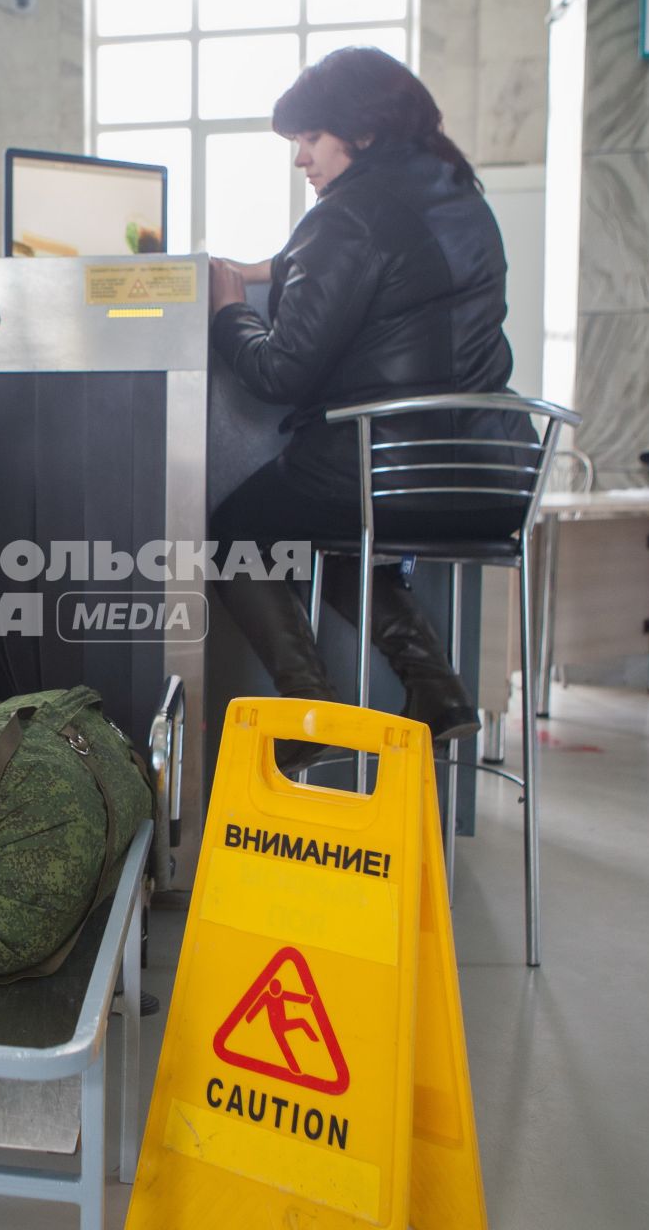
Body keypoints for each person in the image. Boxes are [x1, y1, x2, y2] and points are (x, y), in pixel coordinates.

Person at [207, 47, 534, 771]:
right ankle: (438, 689)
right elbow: (395, 273)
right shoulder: (460, 193)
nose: (301, 159)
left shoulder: (346, 217)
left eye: (310, 138)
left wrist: (231, 309)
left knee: (235, 533)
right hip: (492, 475)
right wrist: (282, 265)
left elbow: (281, 370)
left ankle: (306, 708)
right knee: (337, 530)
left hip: (381, 469)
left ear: (363, 131)